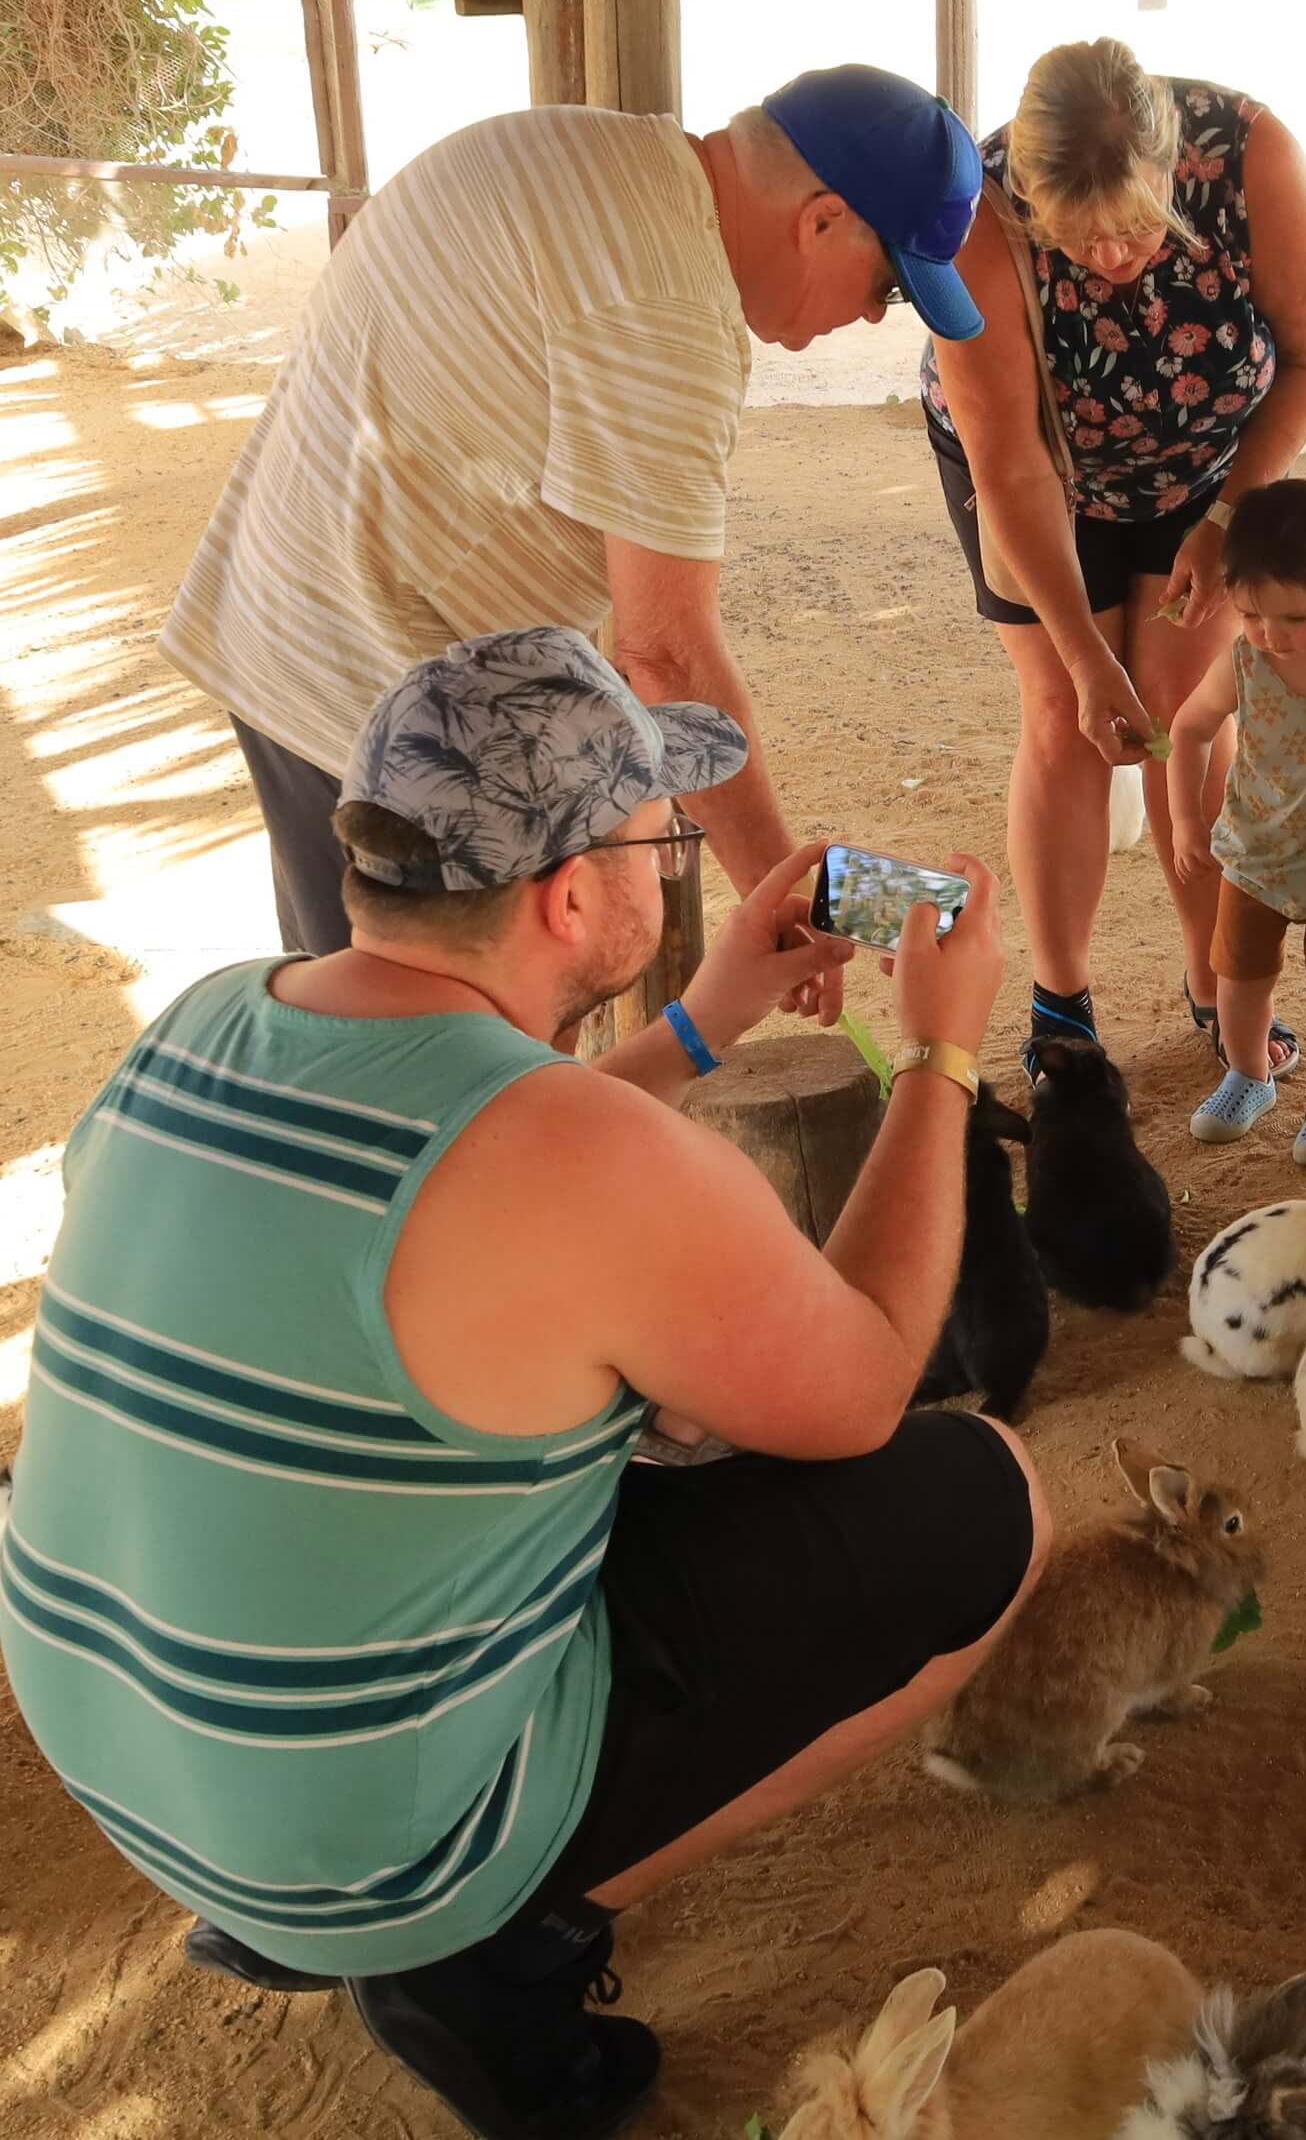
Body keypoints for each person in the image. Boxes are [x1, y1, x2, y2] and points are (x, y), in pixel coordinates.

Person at [0, 628, 1049, 2140]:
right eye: (658, 842)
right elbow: (867, 1380)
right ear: (571, 895)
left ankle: (423, 1903)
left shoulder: (212, 1016)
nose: (673, 870)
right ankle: (485, 1931)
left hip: (134, 1766)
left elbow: (475, 1175)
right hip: (352, 1845)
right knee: (985, 1507)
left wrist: (706, 1017)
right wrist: (944, 1054)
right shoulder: (585, 1160)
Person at [161, 65, 984, 983]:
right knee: (421, 1062)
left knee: (359, 1017)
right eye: (888, 282)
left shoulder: (596, 152)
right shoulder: (670, 306)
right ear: (822, 218)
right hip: (375, 698)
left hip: (299, 625)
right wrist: (788, 907)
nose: (872, 311)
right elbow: (666, 658)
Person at [921, 37, 1306, 1079]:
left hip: (1209, 452)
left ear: (1170, 171)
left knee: (1175, 713)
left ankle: (1216, 978)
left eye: (1133, 229)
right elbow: (1011, 470)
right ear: (1025, 197)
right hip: (1042, 463)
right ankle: (1061, 1000)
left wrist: (1226, 514)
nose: (1110, 259)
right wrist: (1079, 657)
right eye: (1078, 239)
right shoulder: (970, 218)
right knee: (1067, 724)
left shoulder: (1255, 159)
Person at [1166, 479, 1306, 1159]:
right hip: (1255, 857)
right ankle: (1249, 1074)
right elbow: (1190, 730)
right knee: (1239, 982)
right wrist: (1185, 821)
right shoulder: (1244, 661)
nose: (1272, 635)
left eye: (1295, 618)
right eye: (1251, 615)